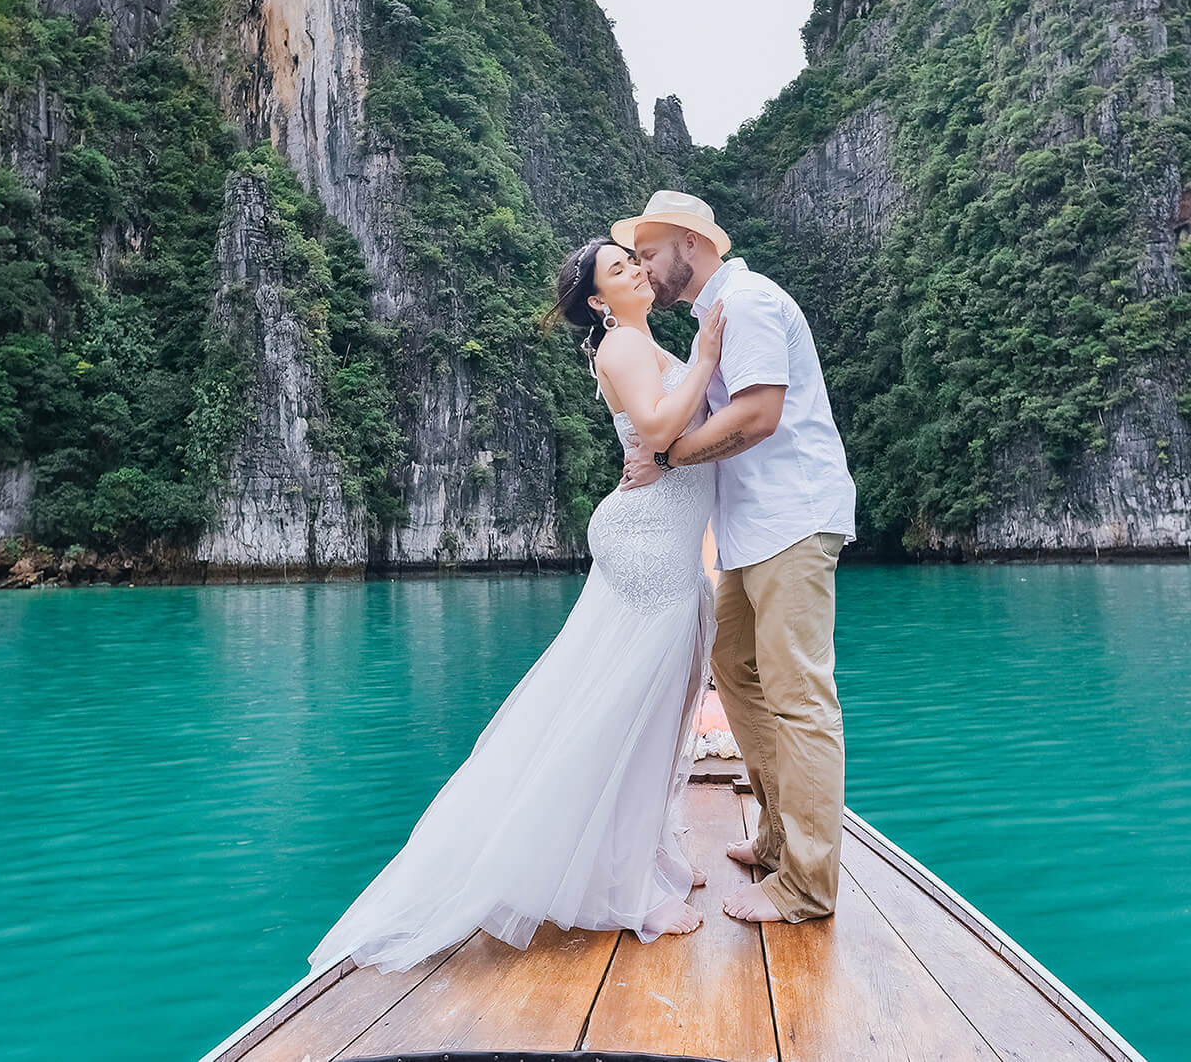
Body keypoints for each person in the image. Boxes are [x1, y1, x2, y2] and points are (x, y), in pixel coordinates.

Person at [306, 235, 728, 974]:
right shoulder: (623, 346)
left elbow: (670, 439)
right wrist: (711, 359)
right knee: (636, 707)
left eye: (634, 259)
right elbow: (660, 433)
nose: (635, 268)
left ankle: (652, 849)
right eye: (619, 268)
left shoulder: (642, 342)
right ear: (600, 299)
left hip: (666, 541)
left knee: (666, 702)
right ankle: (628, 886)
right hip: (648, 545)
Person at [613, 189, 857, 925]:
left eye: (651, 254)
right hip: (752, 531)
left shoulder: (746, 301)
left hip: (793, 519)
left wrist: (665, 453)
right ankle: (781, 837)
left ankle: (807, 884)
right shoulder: (711, 322)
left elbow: (757, 415)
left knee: (799, 696)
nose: (646, 270)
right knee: (737, 670)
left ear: (691, 242)